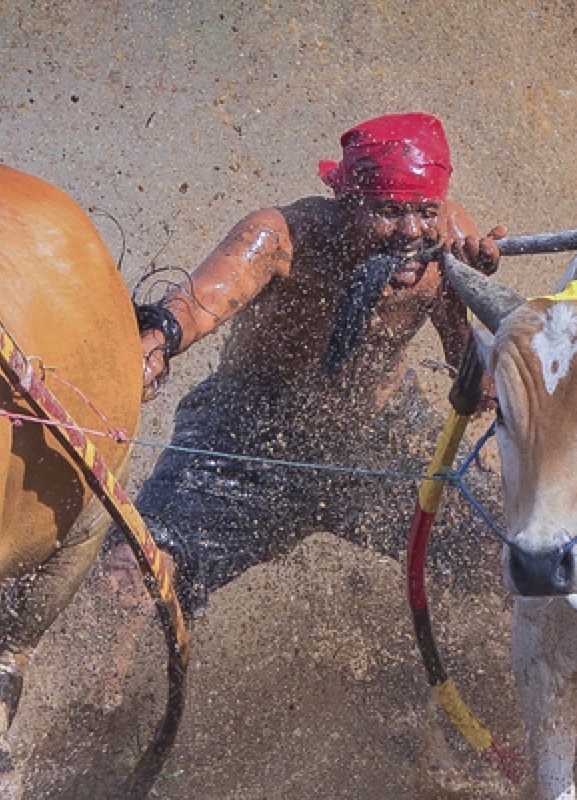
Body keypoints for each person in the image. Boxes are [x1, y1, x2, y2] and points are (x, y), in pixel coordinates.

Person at [133, 112, 505, 617]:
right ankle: (98, 695)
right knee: (132, 570)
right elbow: (200, 301)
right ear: (347, 202)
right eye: (387, 212)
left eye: (424, 211)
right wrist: (155, 343)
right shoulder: (284, 235)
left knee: (503, 551)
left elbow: (480, 390)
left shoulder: (449, 244)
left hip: (379, 433)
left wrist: (479, 296)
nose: (411, 231)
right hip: (246, 435)